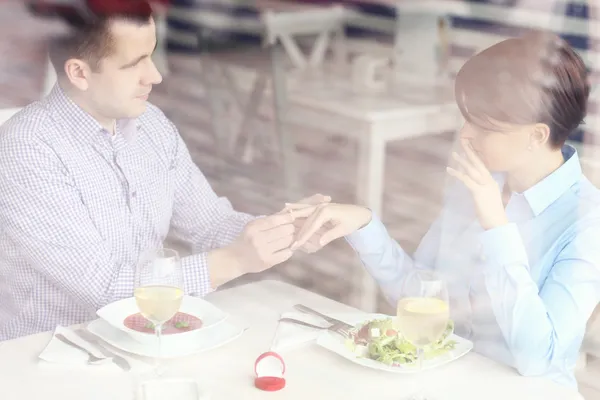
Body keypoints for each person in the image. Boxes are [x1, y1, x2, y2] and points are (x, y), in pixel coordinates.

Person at [289, 31, 600, 389]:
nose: (465, 134)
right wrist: (363, 224)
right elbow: (421, 298)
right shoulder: (477, 184)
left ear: (536, 136)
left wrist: (496, 226)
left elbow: (537, 361)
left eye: (483, 125)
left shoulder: (587, 223)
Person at [0, 0, 322, 341]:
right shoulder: (27, 150)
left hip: (144, 340)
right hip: (48, 357)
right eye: (133, 64)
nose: (154, 76)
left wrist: (286, 228)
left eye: (150, 56)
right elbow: (104, 288)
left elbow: (210, 223)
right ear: (79, 73)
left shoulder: (150, 125)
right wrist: (232, 261)